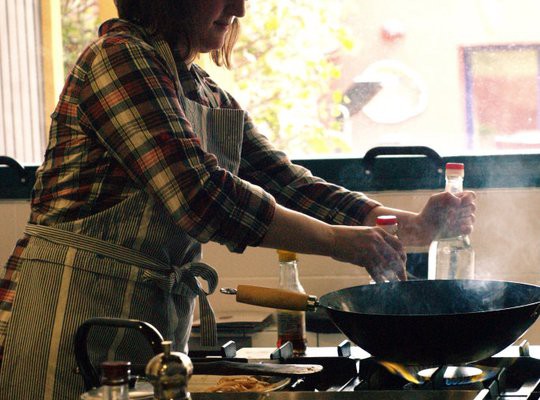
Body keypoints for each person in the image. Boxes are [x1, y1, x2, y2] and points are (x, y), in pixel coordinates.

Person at [0, 0, 476, 398]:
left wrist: (408, 226)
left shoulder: (207, 95)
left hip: (150, 323)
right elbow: (200, 195)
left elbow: (286, 183)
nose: (239, 8)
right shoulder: (118, 58)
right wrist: (337, 241)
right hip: (69, 316)